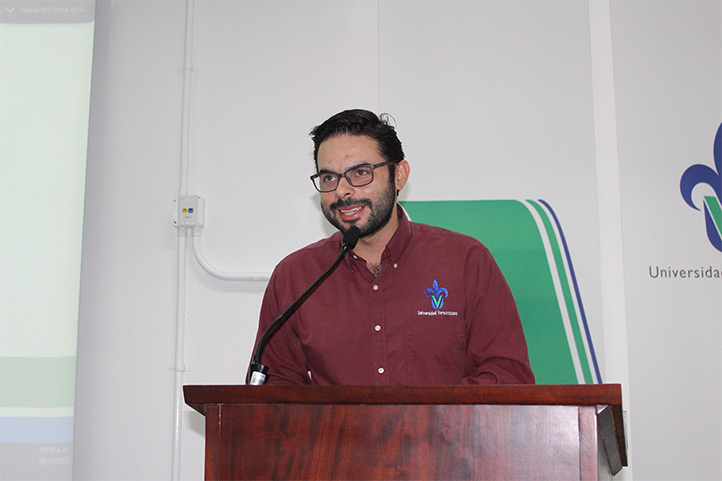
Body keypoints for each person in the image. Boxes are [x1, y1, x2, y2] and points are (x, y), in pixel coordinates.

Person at [250, 109, 534, 385]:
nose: (342, 191)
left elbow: (507, 376)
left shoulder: (465, 262)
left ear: (399, 175)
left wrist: (427, 422)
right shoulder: (295, 276)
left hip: (446, 435)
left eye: (360, 173)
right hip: (336, 436)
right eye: (328, 178)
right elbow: (274, 390)